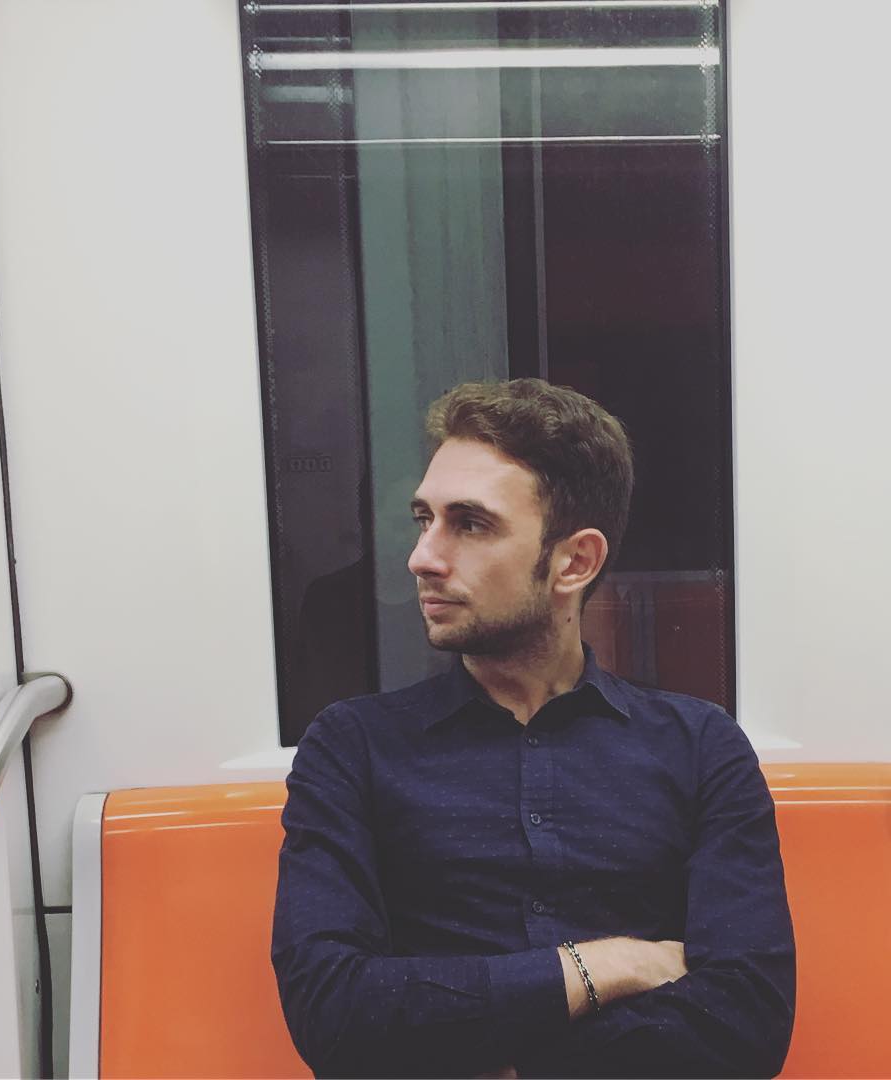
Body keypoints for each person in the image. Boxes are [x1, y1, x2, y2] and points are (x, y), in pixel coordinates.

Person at [272, 379, 795, 1079]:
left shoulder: (699, 746)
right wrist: (604, 967)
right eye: (424, 519)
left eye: (470, 524)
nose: (422, 557)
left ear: (574, 562)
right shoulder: (352, 748)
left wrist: (479, 1049)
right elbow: (335, 1016)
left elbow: (748, 1025)